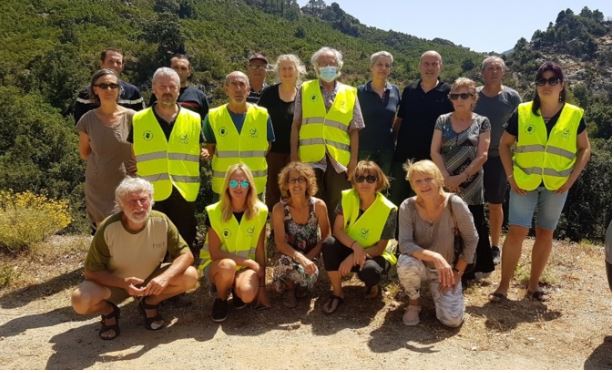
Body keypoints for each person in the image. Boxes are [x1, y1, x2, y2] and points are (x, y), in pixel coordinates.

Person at [490, 61, 591, 302]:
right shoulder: (523, 111)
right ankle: (503, 287)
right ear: (536, 85)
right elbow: (504, 144)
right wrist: (511, 176)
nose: (546, 85)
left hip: (557, 186)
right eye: (541, 81)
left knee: (545, 234)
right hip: (524, 183)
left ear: (562, 85)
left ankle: (533, 286)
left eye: (552, 81)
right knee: (516, 232)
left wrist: (571, 180)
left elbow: (584, 148)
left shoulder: (574, 114)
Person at [70, 177, 198, 340]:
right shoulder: (108, 228)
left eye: (143, 200)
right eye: (131, 201)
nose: (139, 206)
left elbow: (185, 254)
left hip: (151, 282)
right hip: (115, 285)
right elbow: (91, 272)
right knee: (80, 300)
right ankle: (109, 312)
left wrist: (164, 278)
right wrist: (123, 284)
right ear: (120, 204)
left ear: (151, 200)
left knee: (190, 276)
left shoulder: (161, 220)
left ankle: (149, 303)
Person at [130, 67, 203, 258]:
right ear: (154, 89)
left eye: (172, 86)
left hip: (184, 189)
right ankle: (155, 280)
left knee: (183, 241)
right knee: (154, 243)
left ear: (179, 90)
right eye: (163, 86)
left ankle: (179, 281)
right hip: (151, 191)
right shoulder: (139, 119)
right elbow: (132, 152)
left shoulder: (194, 119)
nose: (167, 90)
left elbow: (201, 149)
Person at [396, 160, 478, 327]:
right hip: (419, 264)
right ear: (412, 185)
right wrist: (434, 256)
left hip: (447, 270)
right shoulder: (407, 206)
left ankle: (442, 295)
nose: (424, 184)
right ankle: (414, 302)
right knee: (405, 262)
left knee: (453, 321)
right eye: (418, 181)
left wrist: (458, 272)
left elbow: (471, 239)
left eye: (428, 179)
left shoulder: (454, 204)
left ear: (439, 179)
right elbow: (404, 244)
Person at [290, 46, 364, 224]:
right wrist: (294, 155)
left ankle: (335, 243)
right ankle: (314, 242)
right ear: (316, 67)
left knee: (337, 202)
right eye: (322, 63)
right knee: (312, 201)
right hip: (310, 157)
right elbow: (296, 125)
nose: (327, 67)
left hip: (338, 160)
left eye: (331, 63)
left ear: (338, 66)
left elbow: (355, 129)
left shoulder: (350, 92)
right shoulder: (305, 89)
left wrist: (354, 160)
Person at [430, 77, 494, 282]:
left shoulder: (482, 122)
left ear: (473, 98)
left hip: (472, 181)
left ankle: (478, 266)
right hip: (445, 179)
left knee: (474, 222)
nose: (459, 99)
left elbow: (482, 155)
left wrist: (462, 177)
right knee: (446, 222)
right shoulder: (441, 120)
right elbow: (435, 151)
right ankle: (447, 263)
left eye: (464, 95)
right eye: (455, 95)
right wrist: (447, 178)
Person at [321, 160, 397, 314]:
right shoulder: (347, 197)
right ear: (354, 182)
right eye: (360, 178)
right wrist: (355, 247)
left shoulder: (389, 209)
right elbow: (337, 230)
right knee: (329, 244)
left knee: (371, 272)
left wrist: (353, 257)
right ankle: (337, 293)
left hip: (374, 254)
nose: (365, 182)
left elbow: (380, 248)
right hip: (350, 246)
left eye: (370, 178)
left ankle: (372, 285)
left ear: (378, 182)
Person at [199, 163, 270, 322]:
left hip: (244, 267)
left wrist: (262, 289)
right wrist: (250, 262)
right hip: (218, 265)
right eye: (233, 183)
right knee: (228, 266)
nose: (239, 187)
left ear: (250, 186)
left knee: (247, 294)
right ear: (226, 185)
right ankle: (221, 298)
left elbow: (260, 250)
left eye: (244, 183)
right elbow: (215, 253)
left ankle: (236, 290)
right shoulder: (213, 211)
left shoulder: (261, 211)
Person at [389, 50, 453, 205]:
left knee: (424, 203)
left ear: (440, 67)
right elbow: (400, 119)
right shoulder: (410, 90)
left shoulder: (449, 92)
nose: (429, 68)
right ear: (419, 66)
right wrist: (392, 144)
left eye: (434, 64)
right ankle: (396, 230)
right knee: (397, 201)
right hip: (403, 158)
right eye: (426, 63)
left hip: (432, 160)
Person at [474, 56, 521, 265]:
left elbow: (521, 126)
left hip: (499, 158)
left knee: (495, 203)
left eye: (497, 68)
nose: (493, 72)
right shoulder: (473, 95)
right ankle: (471, 244)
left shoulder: (512, 97)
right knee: (469, 204)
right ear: (482, 72)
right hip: (472, 157)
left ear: (504, 72)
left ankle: (494, 246)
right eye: (489, 68)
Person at [77, 69, 136, 231]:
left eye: (113, 85)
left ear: (119, 89)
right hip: (99, 189)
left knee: (128, 232)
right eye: (103, 86)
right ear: (95, 89)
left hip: (127, 186)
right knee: (103, 237)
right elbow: (84, 153)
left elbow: (141, 151)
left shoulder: (133, 117)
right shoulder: (87, 119)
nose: (109, 89)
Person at [202, 71, 275, 200]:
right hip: (223, 186)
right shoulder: (213, 116)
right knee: (221, 219)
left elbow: (267, 146)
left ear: (248, 90)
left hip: (254, 185)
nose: (238, 89)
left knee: (255, 220)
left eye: (242, 84)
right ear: (226, 89)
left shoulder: (262, 115)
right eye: (233, 84)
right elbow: (210, 148)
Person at [271, 162, 331, 308]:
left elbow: (326, 237)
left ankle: (299, 286)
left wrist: (307, 259)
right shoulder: (279, 209)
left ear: (308, 182)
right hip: (288, 256)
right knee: (285, 265)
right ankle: (291, 289)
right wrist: (300, 259)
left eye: (301, 179)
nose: (297, 184)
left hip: (312, 256)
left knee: (309, 273)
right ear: (286, 184)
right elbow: (280, 243)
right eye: (292, 180)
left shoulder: (319, 206)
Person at [258, 54, 306, 210]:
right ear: (278, 71)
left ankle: (292, 228)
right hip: (273, 153)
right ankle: (274, 229)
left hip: (297, 153)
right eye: (283, 69)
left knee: (295, 192)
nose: (286, 72)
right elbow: (258, 120)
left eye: (290, 68)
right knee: (273, 193)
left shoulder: (304, 94)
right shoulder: (268, 94)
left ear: (297, 71)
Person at [357, 51, 400, 175]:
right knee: (364, 187)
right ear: (371, 67)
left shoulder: (395, 91)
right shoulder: (359, 92)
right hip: (364, 151)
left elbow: (397, 119)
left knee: (383, 188)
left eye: (387, 65)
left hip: (387, 152)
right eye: (379, 64)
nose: (383, 68)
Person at [74, 48, 144, 123]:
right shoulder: (85, 94)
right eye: (110, 61)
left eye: (118, 62)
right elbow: (81, 125)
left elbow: (141, 121)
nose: (114, 65)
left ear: (122, 66)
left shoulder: (132, 93)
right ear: (101, 63)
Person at [149, 54, 210, 119]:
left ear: (189, 72)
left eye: (183, 68)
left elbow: (205, 123)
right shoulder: (159, 94)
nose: (179, 72)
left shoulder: (199, 96)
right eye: (176, 68)